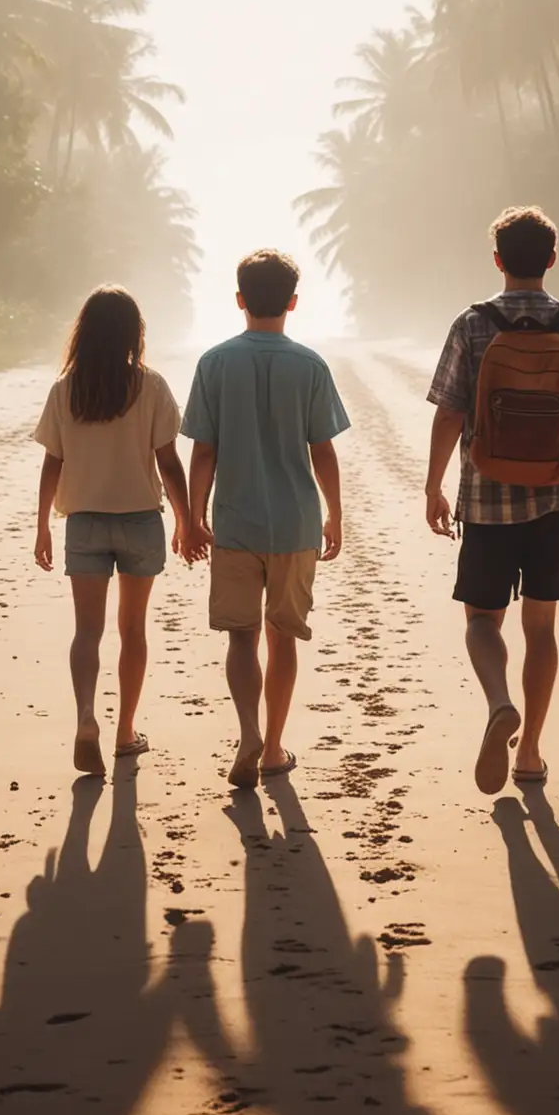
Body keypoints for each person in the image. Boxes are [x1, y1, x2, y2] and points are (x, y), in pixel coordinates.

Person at [424, 206, 559, 794]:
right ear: (552, 259)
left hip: (486, 498)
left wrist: (433, 485)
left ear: (498, 260)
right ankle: (530, 751)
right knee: (541, 625)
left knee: (483, 620)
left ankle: (498, 702)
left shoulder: (473, 324)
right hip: (556, 495)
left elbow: (451, 411)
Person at [182, 249, 350, 788]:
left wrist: (191, 516)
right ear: (293, 303)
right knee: (283, 637)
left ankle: (248, 730)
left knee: (240, 636)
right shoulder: (310, 365)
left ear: (239, 300)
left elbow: (203, 451)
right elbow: (322, 450)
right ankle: (274, 747)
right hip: (296, 522)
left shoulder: (214, 363)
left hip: (235, 521)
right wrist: (336, 515)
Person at [34, 286, 199, 777]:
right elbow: (169, 464)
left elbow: (52, 462)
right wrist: (188, 523)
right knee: (132, 629)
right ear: (134, 332)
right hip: (139, 520)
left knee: (87, 631)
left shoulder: (66, 389)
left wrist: (43, 525)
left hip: (84, 520)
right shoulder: (150, 386)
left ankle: (87, 718)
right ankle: (125, 731)